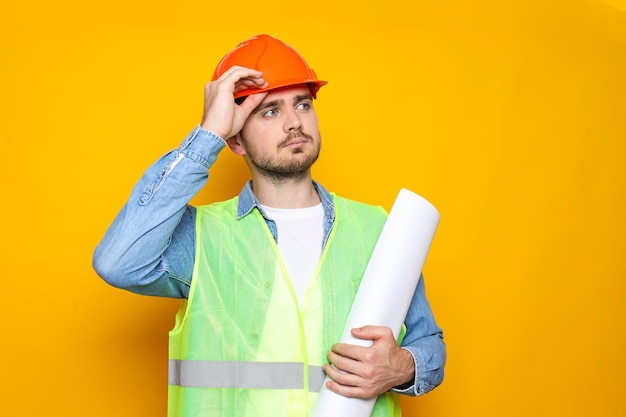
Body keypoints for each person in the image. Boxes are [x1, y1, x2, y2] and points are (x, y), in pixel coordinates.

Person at [93, 34, 445, 417]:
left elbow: (428, 342)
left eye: (303, 104)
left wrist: (405, 366)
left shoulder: (376, 228)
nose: (295, 122)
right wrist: (208, 133)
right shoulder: (203, 239)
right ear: (236, 141)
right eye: (270, 111)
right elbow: (118, 261)